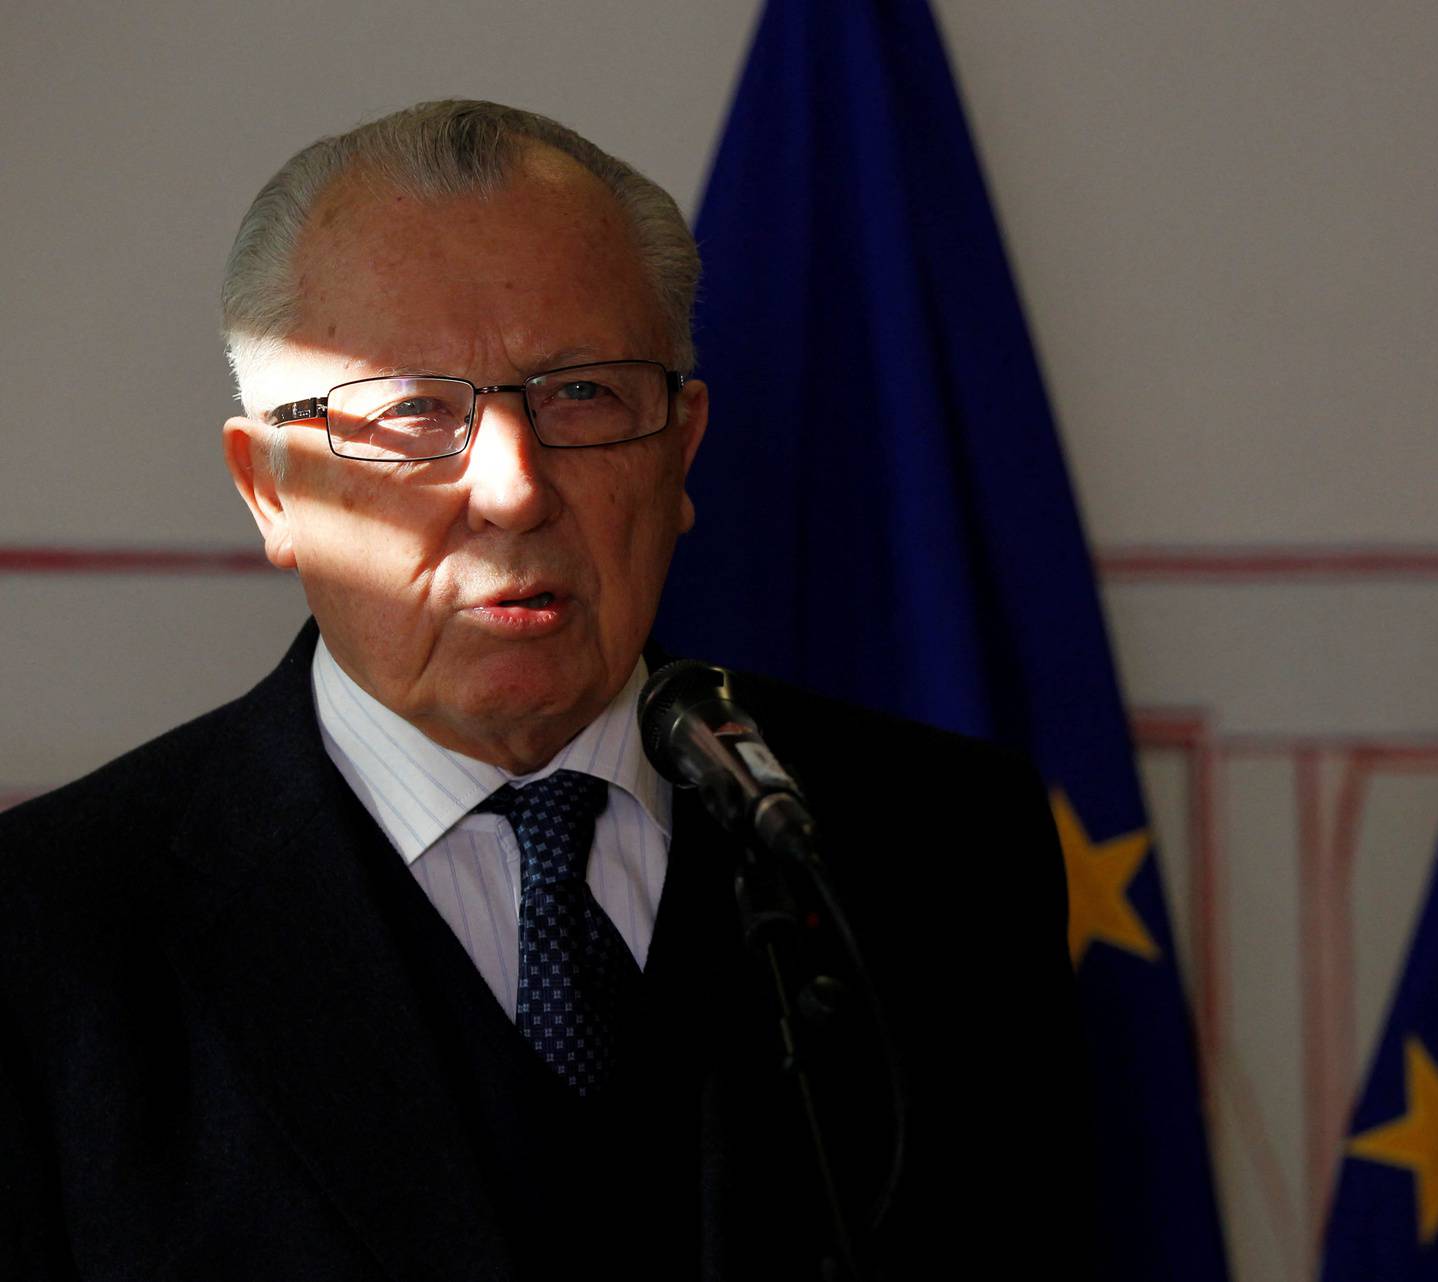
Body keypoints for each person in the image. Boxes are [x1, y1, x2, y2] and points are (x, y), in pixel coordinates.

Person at [0, 100, 1088, 1280]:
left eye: (581, 395)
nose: (513, 488)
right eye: (413, 409)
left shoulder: (944, 848)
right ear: (268, 486)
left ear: (681, 447)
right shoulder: (45, 937)